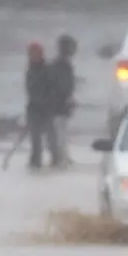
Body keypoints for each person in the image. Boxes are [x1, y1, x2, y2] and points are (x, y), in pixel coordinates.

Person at [46, 34, 79, 167]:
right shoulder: (60, 66)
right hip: (58, 105)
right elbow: (60, 86)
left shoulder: (61, 65)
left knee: (61, 132)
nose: (74, 50)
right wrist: (67, 98)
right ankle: (60, 158)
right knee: (60, 132)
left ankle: (61, 157)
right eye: (72, 47)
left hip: (60, 104)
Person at [23, 42, 55, 171]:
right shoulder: (30, 71)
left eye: (35, 54)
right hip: (33, 109)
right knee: (35, 139)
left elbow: (52, 89)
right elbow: (29, 90)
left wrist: (48, 104)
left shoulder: (47, 70)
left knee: (51, 138)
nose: (33, 56)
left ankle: (56, 161)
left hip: (47, 109)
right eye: (31, 54)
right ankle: (35, 162)